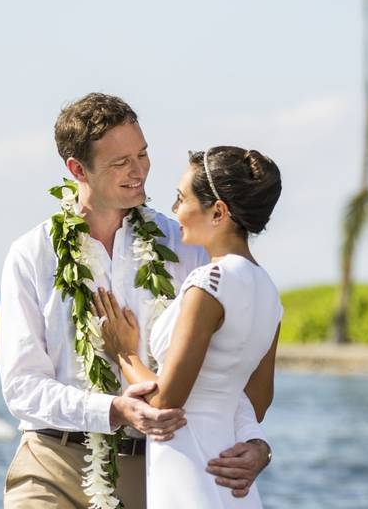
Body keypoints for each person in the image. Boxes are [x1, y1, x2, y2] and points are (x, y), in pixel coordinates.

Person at [0, 93, 272, 509]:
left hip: (153, 472)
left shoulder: (186, 247)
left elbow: (222, 372)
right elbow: (21, 387)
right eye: (119, 162)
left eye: (142, 154)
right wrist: (114, 409)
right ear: (77, 169)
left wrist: (255, 441)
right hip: (50, 463)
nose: (138, 171)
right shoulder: (32, 254)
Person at [93, 146, 283, 508]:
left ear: (218, 212)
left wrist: (125, 352)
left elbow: (165, 401)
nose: (176, 210)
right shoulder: (269, 291)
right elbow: (257, 402)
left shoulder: (209, 282)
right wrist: (258, 448)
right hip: (230, 473)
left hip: (188, 466)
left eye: (181, 199)